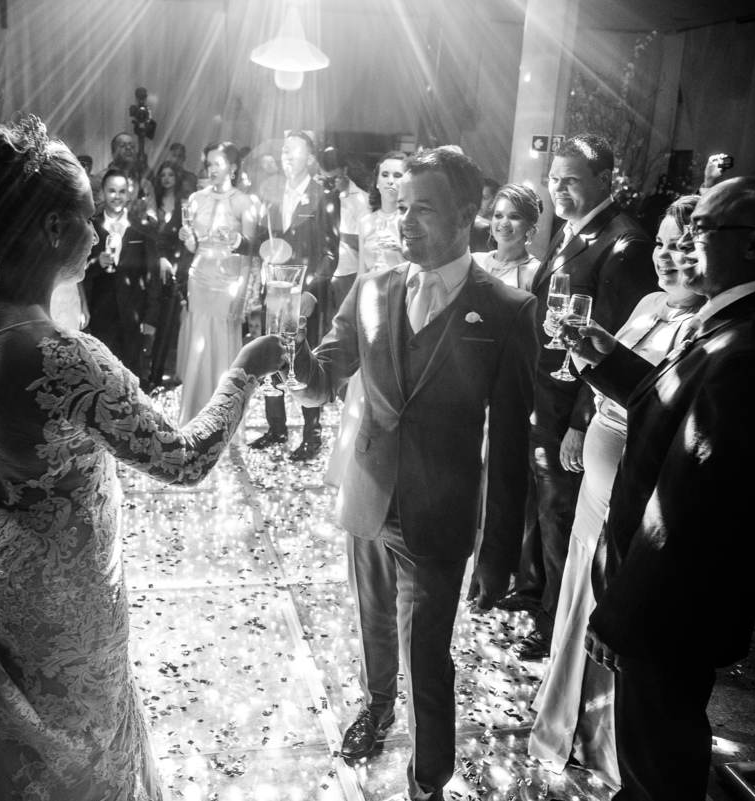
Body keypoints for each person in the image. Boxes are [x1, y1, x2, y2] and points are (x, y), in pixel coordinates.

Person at [0, 113, 283, 800]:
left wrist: (23, 484)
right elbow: (184, 459)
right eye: (88, 219)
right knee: (79, 758)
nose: (99, 233)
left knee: (5, 755)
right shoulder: (66, 357)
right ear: (55, 228)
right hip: (62, 594)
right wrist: (243, 373)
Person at [290, 146, 536, 801]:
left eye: (422, 209)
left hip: (440, 511)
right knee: (372, 626)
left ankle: (428, 782)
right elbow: (324, 376)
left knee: (427, 657)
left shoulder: (507, 309)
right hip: (369, 495)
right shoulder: (372, 288)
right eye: (401, 207)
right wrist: (294, 354)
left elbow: (511, 443)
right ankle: (375, 709)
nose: (404, 221)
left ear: (465, 213)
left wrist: (499, 554)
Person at [569, 177, 755, 800]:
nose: (684, 245)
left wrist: (625, 612)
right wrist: (610, 360)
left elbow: (693, 507)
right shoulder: (737, 325)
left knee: (658, 768)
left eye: (701, 231)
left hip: (669, 608)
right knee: (647, 757)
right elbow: (676, 411)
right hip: (667, 602)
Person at [528, 195, 705, 790]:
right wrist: (588, 379)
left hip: (637, 481)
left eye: (684, 246)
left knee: (612, 598)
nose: (668, 257)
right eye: (663, 244)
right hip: (597, 477)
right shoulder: (651, 303)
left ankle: (603, 737)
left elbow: (665, 406)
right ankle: (565, 717)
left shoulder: (706, 326)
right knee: (579, 584)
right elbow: (610, 373)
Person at [505, 134, 657, 661]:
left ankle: (554, 621)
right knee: (540, 503)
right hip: (544, 395)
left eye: (570, 180)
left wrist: (581, 421)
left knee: (560, 515)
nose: (559, 189)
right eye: (553, 179)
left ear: (604, 180)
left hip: (572, 407)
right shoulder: (572, 230)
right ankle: (531, 592)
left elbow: (616, 345)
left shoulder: (624, 244)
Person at [250, 129, 340, 462]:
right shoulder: (272, 193)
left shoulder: (324, 195)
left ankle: (312, 436)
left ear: (311, 157)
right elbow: (264, 241)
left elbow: (330, 254)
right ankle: (276, 429)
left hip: (304, 295)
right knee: (270, 359)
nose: (287, 156)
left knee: (303, 362)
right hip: (274, 291)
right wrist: (252, 251)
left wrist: (311, 292)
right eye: (284, 150)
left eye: (296, 150)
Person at [325, 151, 407, 489]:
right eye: (385, 174)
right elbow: (361, 274)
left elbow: (416, 272)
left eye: (398, 175)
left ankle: (384, 469)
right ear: (376, 180)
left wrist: (397, 251)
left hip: (400, 305)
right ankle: (352, 465)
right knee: (362, 384)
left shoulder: (411, 222)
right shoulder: (366, 222)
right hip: (370, 308)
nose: (391, 181)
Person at [177, 143, 256, 423]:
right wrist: (188, 240)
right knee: (198, 341)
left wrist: (242, 294)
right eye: (209, 164)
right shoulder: (196, 198)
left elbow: (249, 254)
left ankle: (224, 417)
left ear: (232, 168)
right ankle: (193, 414)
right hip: (199, 277)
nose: (212, 169)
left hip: (228, 280)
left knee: (224, 343)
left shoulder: (245, 202)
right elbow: (194, 246)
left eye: (218, 164)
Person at [82, 168, 161, 383]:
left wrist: (151, 316)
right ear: (103, 193)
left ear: (128, 194)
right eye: (112, 191)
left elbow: (153, 273)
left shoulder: (142, 227)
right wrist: (96, 263)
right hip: (101, 312)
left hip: (133, 312)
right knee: (102, 371)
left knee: (132, 373)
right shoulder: (91, 226)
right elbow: (79, 270)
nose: (117, 196)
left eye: (122, 191)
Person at [145, 161, 187, 388]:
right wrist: (159, 257)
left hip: (176, 266)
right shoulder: (153, 202)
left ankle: (158, 375)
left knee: (168, 321)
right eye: (163, 175)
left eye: (171, 174)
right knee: (151, 317)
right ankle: (147, 373)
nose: (167, 178)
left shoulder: (184, 204)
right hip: (152, 261)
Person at [319, 146, 370, 312]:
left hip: (347, 274)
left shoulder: (362, 201)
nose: (330, 183)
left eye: (335, 178)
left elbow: (365, 244)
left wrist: (335, 235)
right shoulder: (317, 197)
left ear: (345, 170)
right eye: (325, 179)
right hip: (320, 273)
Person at [473, 182, 542, 290]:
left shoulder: (536, 272)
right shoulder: (473, 261)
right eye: (498, 215)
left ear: (530, 227)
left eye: (514, 217)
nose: (504, 223)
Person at [470, 176, 500, 251]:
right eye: (477, 197)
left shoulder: (499, 229)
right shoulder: (468, 226)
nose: (479, 202)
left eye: (485, 198)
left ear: (495, 200)